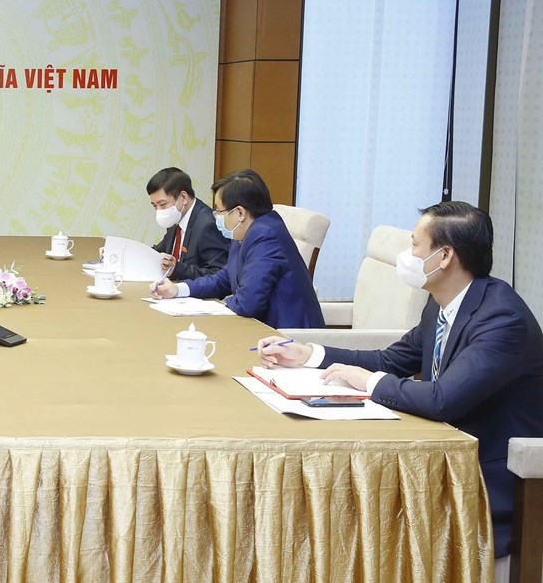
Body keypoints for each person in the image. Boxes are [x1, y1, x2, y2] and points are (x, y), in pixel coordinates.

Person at [256, 201, 543, 561]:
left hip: (491, 483)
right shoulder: (442, 302)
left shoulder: (502, 319)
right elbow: (391, 359)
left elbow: (443, 399)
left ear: (444, 256)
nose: (407, 255)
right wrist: (309, 355)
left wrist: (370, 382)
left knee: (353, 510)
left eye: (415, 246)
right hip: (440, 456)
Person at [152, 169, 324, 329]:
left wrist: (209, 307)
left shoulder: (266, 235)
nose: (216, 217)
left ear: (240, 213)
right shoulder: (242, 230)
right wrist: (179, 289)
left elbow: (248, 303)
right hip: (260, 328)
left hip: (288, 336)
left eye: (219, 211)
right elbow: (223, 279)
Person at [147, 167, 229, 281]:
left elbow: (218, 274)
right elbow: (160, 250)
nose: (159, 211)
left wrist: (178, 270)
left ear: (183, 197)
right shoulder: (175, 217)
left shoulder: (207, 225)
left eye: (162, 204)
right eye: (155, 206)